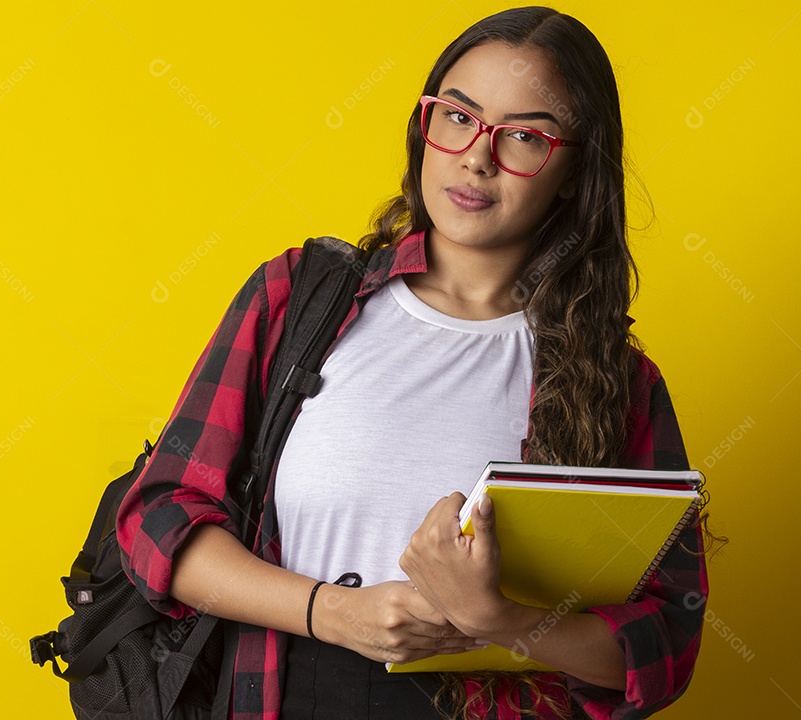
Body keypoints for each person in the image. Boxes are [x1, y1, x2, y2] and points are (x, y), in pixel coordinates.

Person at [116, 6, 714, 719]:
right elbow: (159, 522)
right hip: (278, 692)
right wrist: (334, 613)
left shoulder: (617, 384)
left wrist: (502, 621)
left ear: (575, 168)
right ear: (422, 128)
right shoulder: (299, 299)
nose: (477, 157)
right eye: (457, 118)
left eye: (524, 136)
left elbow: (665, 644)